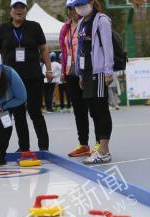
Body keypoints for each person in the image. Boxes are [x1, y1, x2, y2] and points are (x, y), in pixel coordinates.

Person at [0, 0, 52, 152]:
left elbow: (44, 49)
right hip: (11, 79)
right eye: (16, 7)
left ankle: (43, 147)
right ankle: (24, 147)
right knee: (18, 114)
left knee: (35, 112)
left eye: (22, 7)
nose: (19, 10)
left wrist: (49, 69)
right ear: (10, 10)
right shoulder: (3, 29)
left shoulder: (34, 26)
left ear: (26, 9)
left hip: (33, 77)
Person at [74, 0, 114, 164]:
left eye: (83, 4)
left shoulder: (102, 20)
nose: (80, 7)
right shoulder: (82, 23)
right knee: (93, 111)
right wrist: (80, 74)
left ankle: (104, 150)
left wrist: (108, 71)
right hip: (87, 72)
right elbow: (80, 49)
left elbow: (107, 46)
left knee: (101, 110)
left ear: (92, 2)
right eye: (77, 5)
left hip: (99, 72)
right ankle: (100, 148)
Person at [60, 0, 91, 157]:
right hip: (71, 72)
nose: (73, 10)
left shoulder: (87, 24)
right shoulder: (65, 28)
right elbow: (64, 50)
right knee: (79, 110)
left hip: (86, 71)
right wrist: (63, 70)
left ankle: (100, 143)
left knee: (93, 108)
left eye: (75, 7)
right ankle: (84, 144)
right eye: (70, 8)